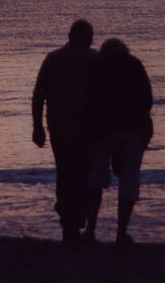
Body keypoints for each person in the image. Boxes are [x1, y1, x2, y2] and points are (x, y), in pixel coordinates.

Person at [32, 19, 97, 243]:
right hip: (87, 128)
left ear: (69, 36)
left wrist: (37, 127)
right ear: (87, 38)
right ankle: (83, 223)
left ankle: (69, 222)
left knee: (66, 173)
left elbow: (38, 95)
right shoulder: (95, 59)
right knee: (86, 173)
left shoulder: (53, 59)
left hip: (60, 127)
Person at [84, 38, 153, 246]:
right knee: (129, 179)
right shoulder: (134, 65)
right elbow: (147, 99)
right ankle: (121, 233)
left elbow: (87, 100)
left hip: (102, 130)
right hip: (132, 130)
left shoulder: (97, 66)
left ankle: (90, 230)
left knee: (96, 178)